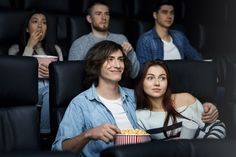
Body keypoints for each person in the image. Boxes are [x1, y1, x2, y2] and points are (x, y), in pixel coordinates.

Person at [52, 40, 219, 157]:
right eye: (109, 60)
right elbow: (59, 150)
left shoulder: (136, 96)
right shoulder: (81, 103)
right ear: (96, 65)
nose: (117, 65)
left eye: (120, 60)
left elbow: (170, 101)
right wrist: (88, 134)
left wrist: (205, 106)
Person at [135, 60, 226, 140]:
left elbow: (217, 126)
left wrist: (207, 147)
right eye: (150, 78)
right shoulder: (140, 116)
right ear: (141, 82)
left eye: (162, 78)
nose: (157, 83)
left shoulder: (186, 99)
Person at [8, 10, 63, 134]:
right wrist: (30, 46)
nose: (40, 26)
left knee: (50, 90)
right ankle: (45, 134)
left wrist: (52, 75)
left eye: (44, 22)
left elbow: (63, 77)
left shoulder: (56, 49)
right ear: (27, 29)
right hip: (27, 91)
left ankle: (46, 134)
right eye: (35, 21)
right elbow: (17, 76)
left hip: (50, 90)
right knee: (50, 91)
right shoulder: (15, 49)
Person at [68, 0, 140, 79]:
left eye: (106, 14)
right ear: (89, 18)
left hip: (120, 86)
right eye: (98, 14)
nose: (103, 17)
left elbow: (135, 74)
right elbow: (74, 77)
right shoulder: (79, 44)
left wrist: (131, 53)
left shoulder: (121, 39)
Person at [136, 0, 202, 65]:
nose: (169, 16)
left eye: (172, 13)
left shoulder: (180, 37)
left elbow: (197, 59)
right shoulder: (145, 40)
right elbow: (144, 70)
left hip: (183, 74)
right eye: (164, 12)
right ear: (155, 15)